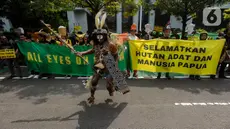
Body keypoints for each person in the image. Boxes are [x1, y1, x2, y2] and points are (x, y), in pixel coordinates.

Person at [75, 10, 130, 104]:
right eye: (97, 36)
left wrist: (115, 64)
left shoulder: (111, 45)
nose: (99, 38)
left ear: (105, 35)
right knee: (94, 81)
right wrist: (82, 53)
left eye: (101, 36)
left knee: (108, 86)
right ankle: (92, 96)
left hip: (109, 66)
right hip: (99, 65)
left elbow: (116, 54)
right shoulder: (96, 44)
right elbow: (92, 50)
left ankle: (112, 89)